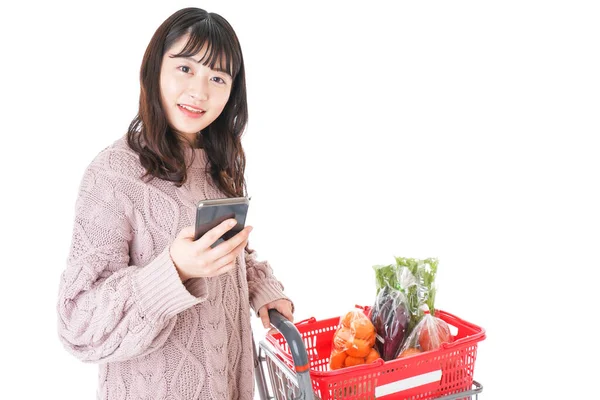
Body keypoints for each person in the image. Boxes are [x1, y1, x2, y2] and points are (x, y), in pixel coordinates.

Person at [56, 7, 294, 400]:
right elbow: (76, 322)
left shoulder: (220, 164)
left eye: (217, 78)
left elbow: (228, 252)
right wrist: (174, 270)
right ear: (154, 69)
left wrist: (262, 289)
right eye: (185, 68)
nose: (200, 92)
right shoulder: (112, 176)